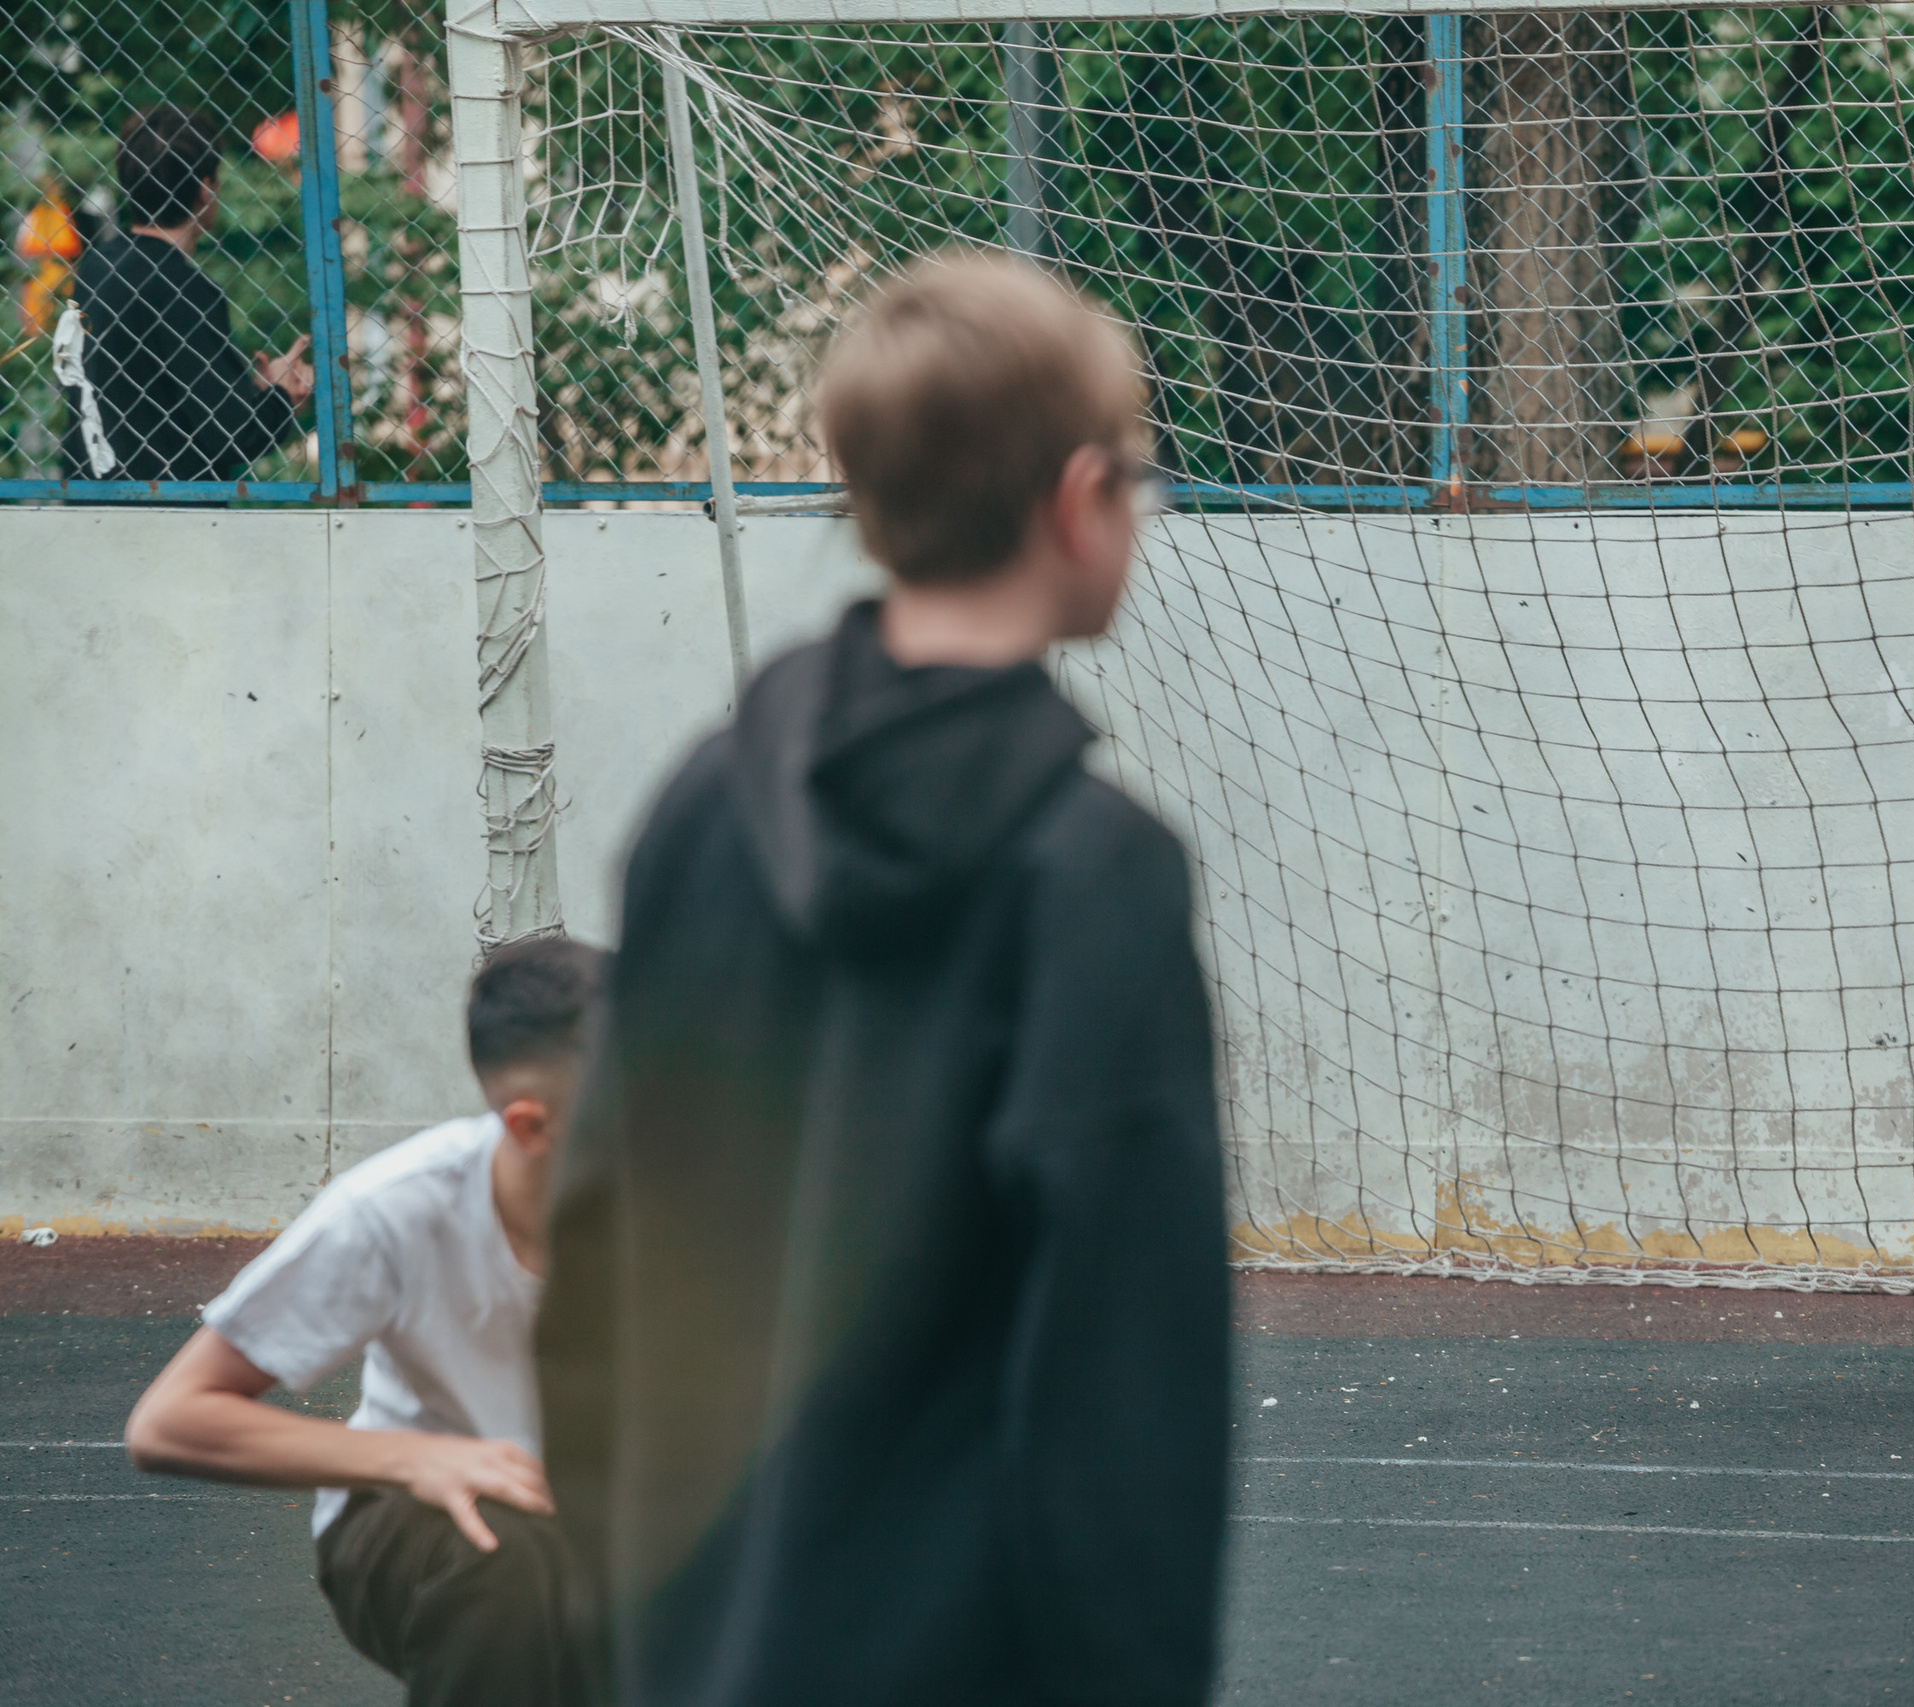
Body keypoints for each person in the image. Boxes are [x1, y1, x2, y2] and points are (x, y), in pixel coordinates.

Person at [536, 252, 1230, 1707]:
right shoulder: (1094, 871)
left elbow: (596, 1254)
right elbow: (1123, 1385)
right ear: (1073, 499)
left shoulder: (700, 807)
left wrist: (631, 1622)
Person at [125, 938, 608, 1706]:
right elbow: (169, 1422)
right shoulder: (394, 1211)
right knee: (507, 1557)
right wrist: (416, 1458)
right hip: (416, 1520)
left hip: (604, 1515)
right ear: (530, 1125)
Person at [60, 107, 313, 484]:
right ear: (206, 190)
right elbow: (234, 434)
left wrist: (247, 393)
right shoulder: (185, 289)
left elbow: (149, 392)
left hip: (93, 499)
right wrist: (280, 396)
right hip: (170, 516)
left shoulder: (98, 267)